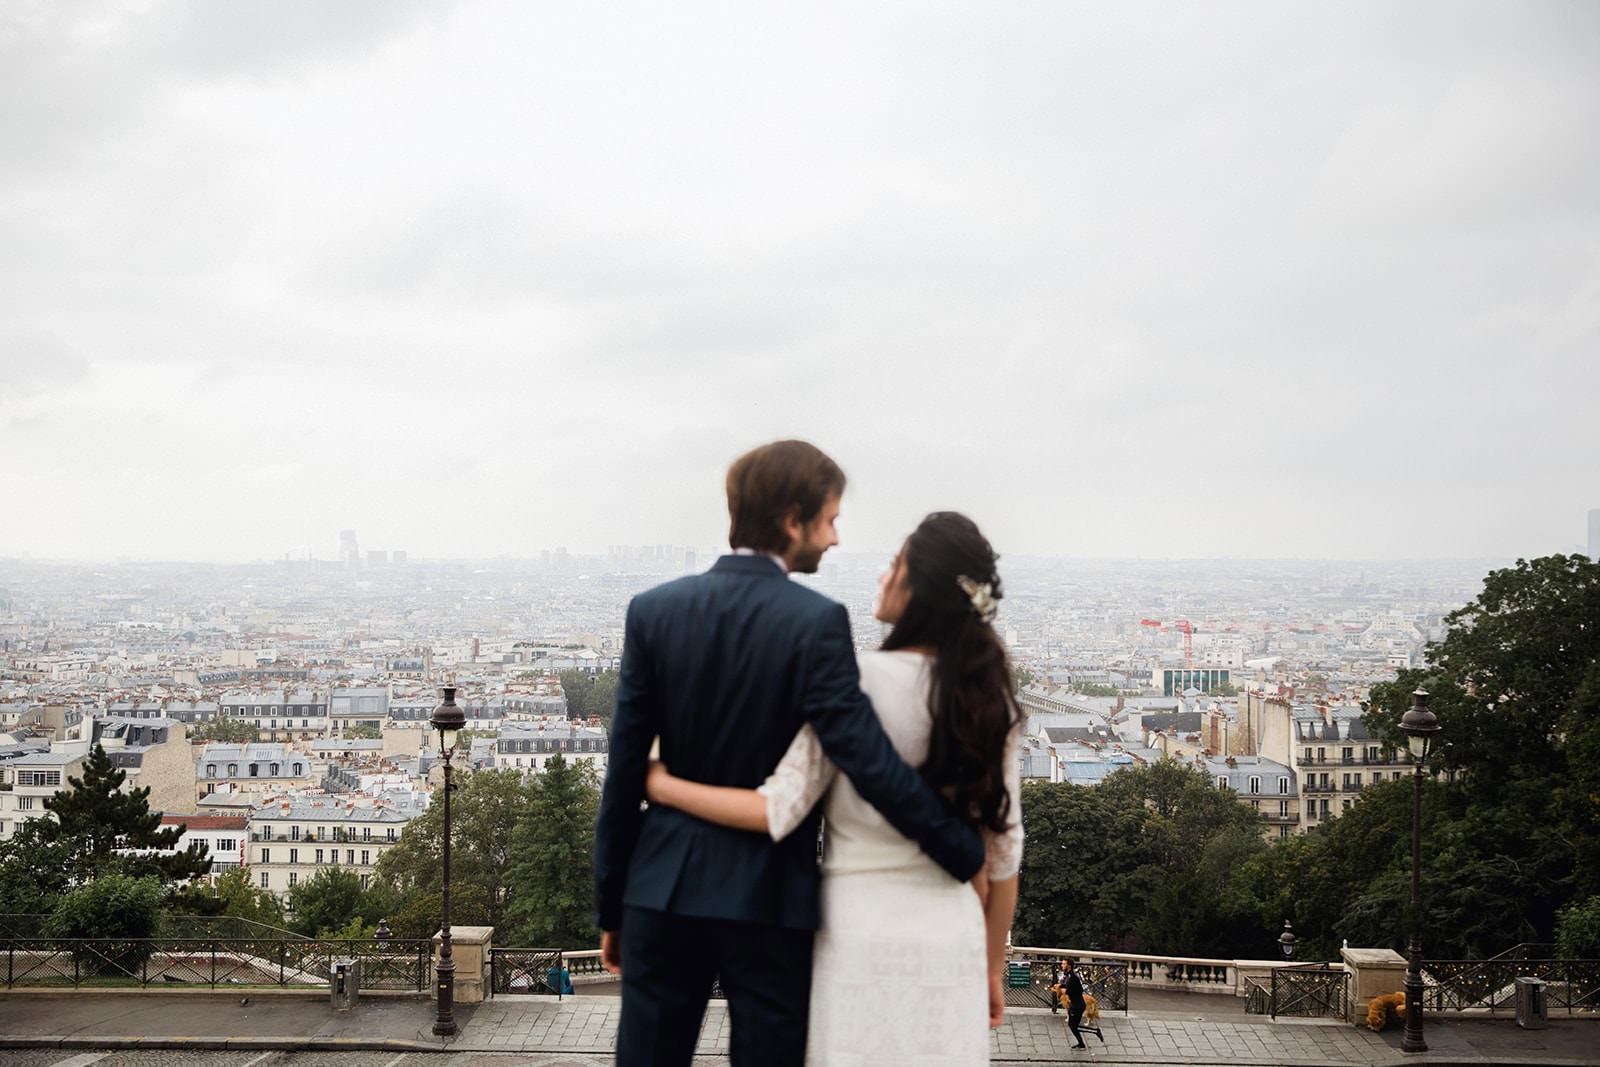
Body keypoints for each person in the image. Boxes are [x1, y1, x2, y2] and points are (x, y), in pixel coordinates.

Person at [593, 441, 987, 1067]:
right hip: (768, 899)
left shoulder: (654, 611)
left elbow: (624, 774)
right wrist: (959, 848)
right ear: (792, 521)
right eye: (829, 519)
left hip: (661, 889)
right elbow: (863, 755)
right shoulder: (816, 621)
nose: (834, 539)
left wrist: (612, 904)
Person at [1061, 958, 1102, 1049]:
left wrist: (1067, 991)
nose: (1062, 965)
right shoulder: (1068, 975)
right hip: (1075, 1004)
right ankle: (1081, 1044)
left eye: (1064, 964)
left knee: (1073, 1026)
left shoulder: (1073, 977)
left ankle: (1095, 1031)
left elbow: (1079, 990)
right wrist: (1061, 986)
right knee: (1072, 1026)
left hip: (1078, 1005)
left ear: (1069, 966)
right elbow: (1069, 986)